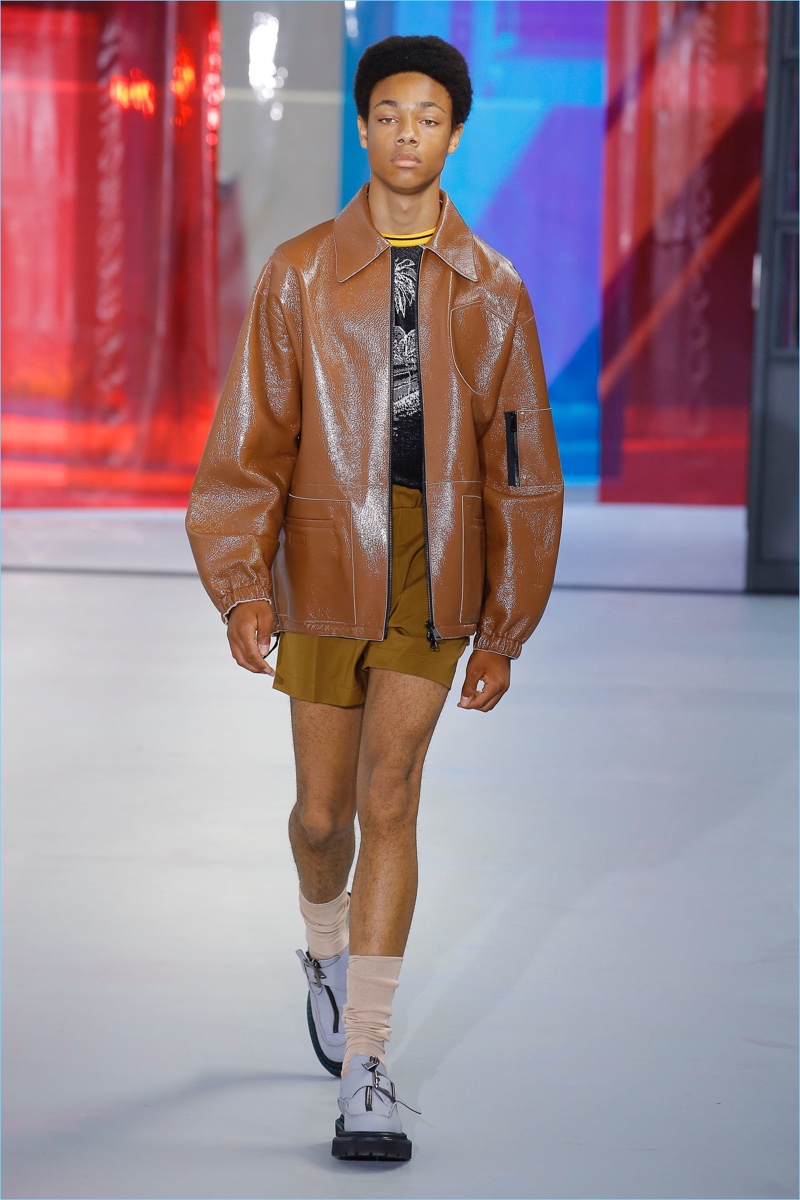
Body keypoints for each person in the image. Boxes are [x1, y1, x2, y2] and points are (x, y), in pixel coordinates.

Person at [186, 33, 563, 1162]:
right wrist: (240, 585)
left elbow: (521, 465)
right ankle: (322, 948)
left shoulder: (494, 290)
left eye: (428, 118)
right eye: (389, 114)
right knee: (323, 818)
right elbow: (250, 442)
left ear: (455, 135)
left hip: (433, 571)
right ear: (362, 127)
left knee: (389, 795)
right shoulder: (298, 272)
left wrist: (506, 626)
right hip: (317, 563)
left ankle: (367, 1065)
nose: (408, 134)